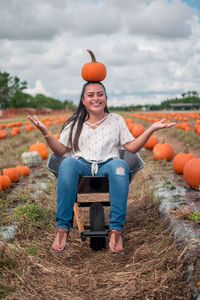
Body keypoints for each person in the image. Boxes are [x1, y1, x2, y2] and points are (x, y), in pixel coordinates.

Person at [27, 81, 176, 254]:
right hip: (81, 164)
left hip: (109, 164)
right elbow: (60, 151)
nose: (96, 98)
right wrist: (46, 133)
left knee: (121, 165)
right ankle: (62, 229)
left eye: (100, 94)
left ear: (106, 98)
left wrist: (151, 129)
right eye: (91, 95)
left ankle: (116, 230)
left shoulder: (116, 120)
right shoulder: (74, 122)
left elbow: (132, 148)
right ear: (83, 100)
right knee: (67, 163)